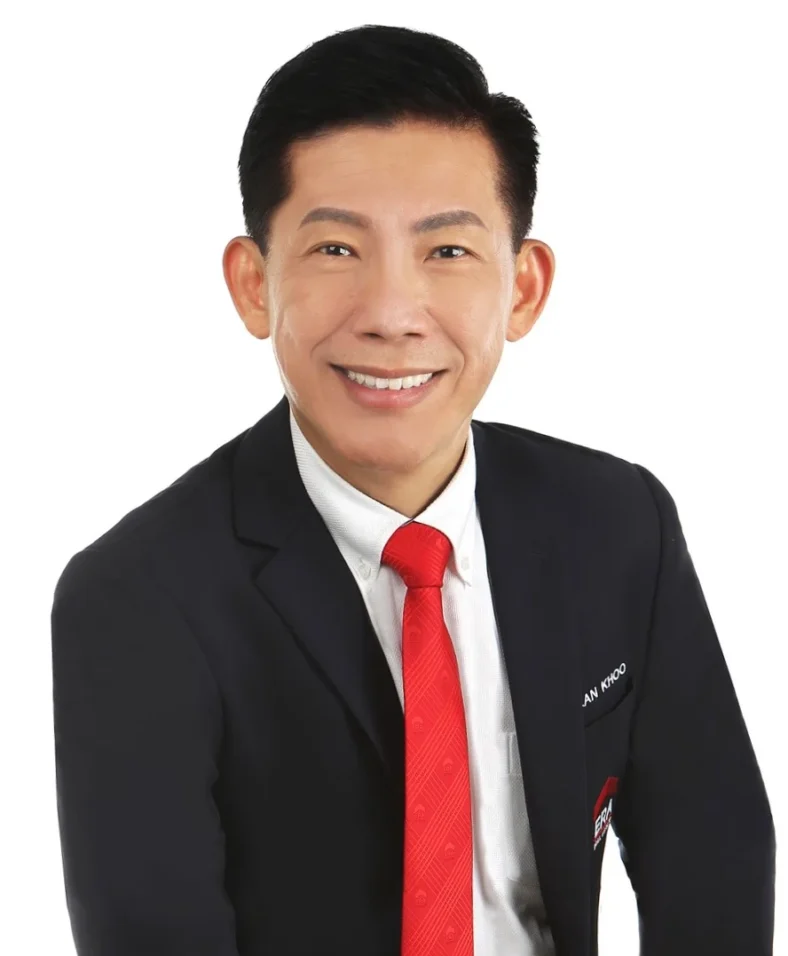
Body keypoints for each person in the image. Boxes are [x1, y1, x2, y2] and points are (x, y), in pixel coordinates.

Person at [50, 23, 775, 956]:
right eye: (335, 250)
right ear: (253, 284)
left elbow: (714, 859)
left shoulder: (618, 523)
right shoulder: (136, 597)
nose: (392, 316)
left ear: (523, 288)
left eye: (448, 252)